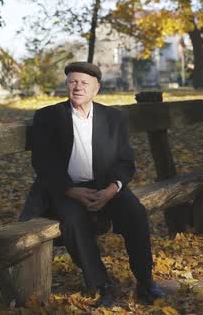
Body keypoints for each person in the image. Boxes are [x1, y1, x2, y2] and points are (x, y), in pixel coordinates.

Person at [19, 62, 165, 307]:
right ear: (67, 85)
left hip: (105, 188)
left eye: (84, 83)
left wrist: (111, 190)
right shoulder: (48, 116)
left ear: (96, 89)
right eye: (72, 82)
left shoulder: (113, 118)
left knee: (135, 213)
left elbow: (125, 161)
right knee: (74, 221)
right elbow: (44, 163)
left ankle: (145, 281)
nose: (77, 87)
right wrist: (70, 190)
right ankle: (101, 284)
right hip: (64, 189)